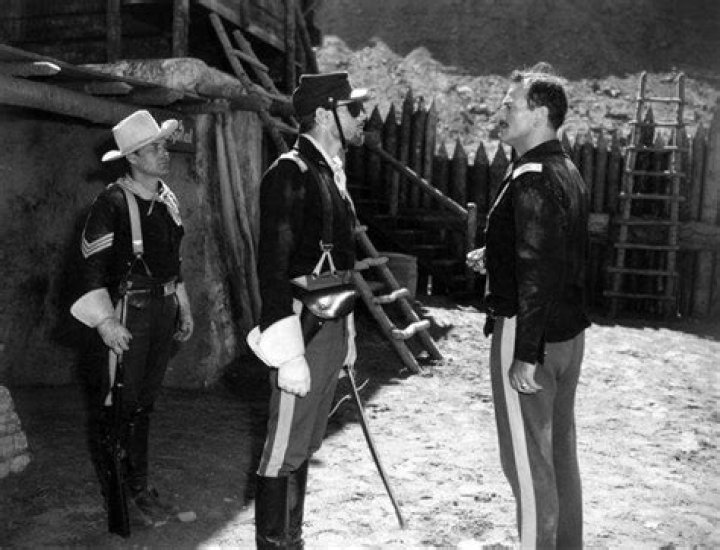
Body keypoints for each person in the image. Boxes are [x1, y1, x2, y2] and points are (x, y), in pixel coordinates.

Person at [467, 64, 590, 549]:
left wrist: (525, 352)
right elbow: (553, 252)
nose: (500, 112)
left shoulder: (532, 175)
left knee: (527, 464)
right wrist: (497, 256)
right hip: (568, 336)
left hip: (529, 333)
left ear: (539, 114)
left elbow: (538, 271)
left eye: (510, 104)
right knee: (559, 455)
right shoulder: (566, 168)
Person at [247, 71, 368, 549]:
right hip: (302, 329)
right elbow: (272, 268)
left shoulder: (329, 174)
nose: (361, 117)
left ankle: (291, 539)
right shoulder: (290, 173)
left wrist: (348, 333)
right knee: (282, 448)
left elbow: (341, 265)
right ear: (323, 114)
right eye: (352, 109)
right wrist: (287, 353)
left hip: (330, 323)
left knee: (304, 443)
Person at [70, 109, 194, 527]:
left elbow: (173, 262)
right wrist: (105, 322)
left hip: (162, 309)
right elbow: (89, 269)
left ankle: (139, 487)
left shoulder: (167, 199)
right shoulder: (110, 204)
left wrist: (183, 304)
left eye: (163, 145)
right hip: (129, 313)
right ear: (133, 158)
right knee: (119, 404)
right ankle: (119, 496)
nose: (164, 152)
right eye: (153, 148)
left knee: (144, 404)